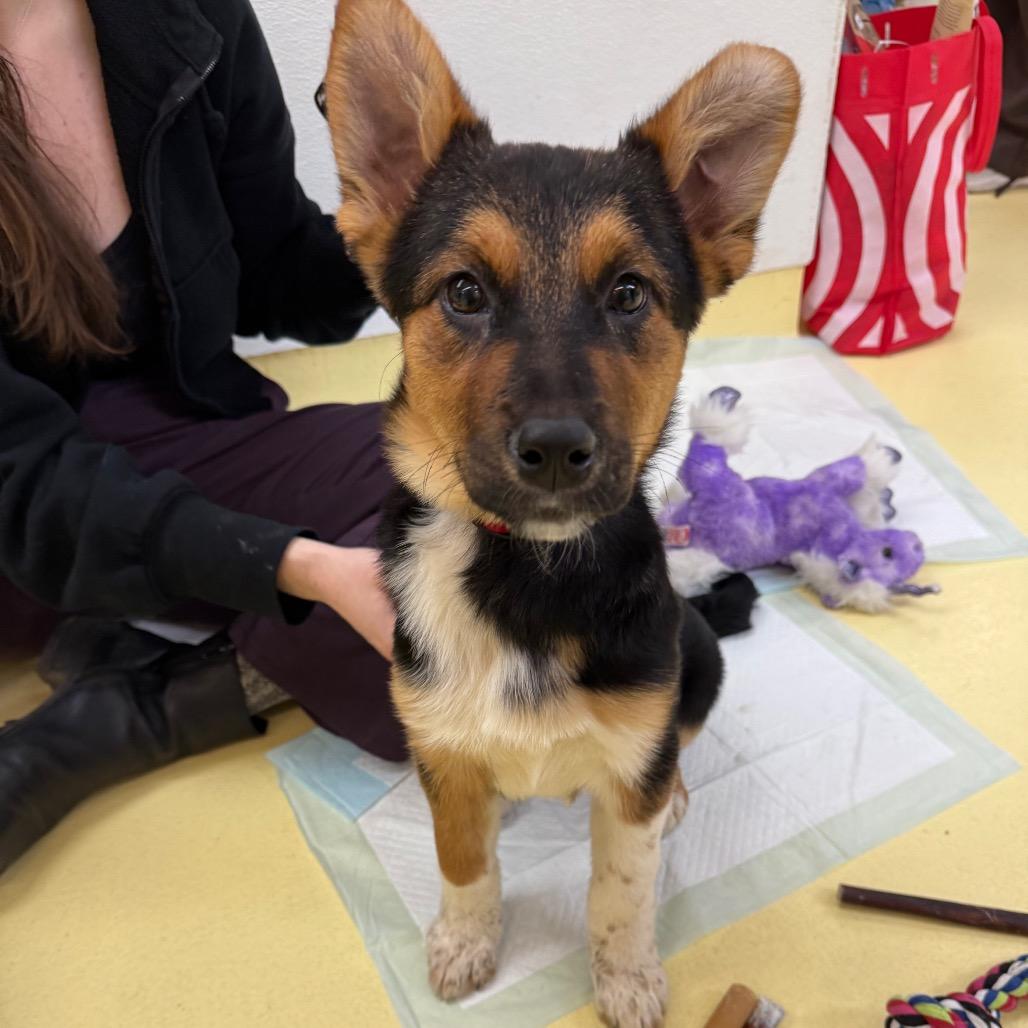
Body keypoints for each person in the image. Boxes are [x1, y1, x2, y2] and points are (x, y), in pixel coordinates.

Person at [0, 0, 404, 875]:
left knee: (472, 507)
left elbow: (276, 275)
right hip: (13, 508)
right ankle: (133, 689)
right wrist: (304, 569)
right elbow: (23, 480)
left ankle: (140, 698)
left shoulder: (182, 12)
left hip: (166, 427)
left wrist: (407, 215)